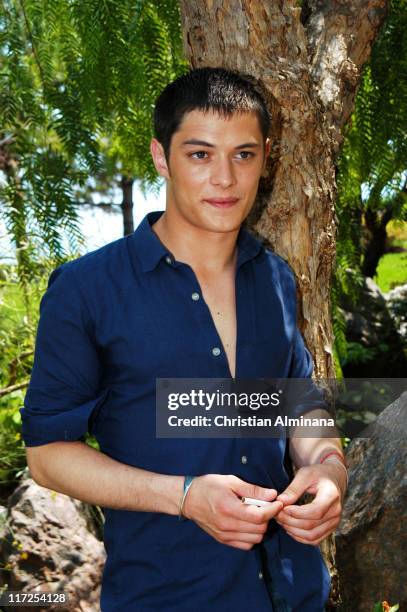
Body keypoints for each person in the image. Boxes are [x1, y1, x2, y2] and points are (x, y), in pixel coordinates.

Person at [21, 67, 347, 612]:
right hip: (167, 595)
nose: (225, 178)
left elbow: (298, 403)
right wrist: (185, 497)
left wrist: (329, 467)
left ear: (266, 158)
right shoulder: (86, 290)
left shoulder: (276, 278)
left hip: (296, 592)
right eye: (200, 155)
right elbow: (47, 455)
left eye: (243, 155)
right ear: (160, 156)